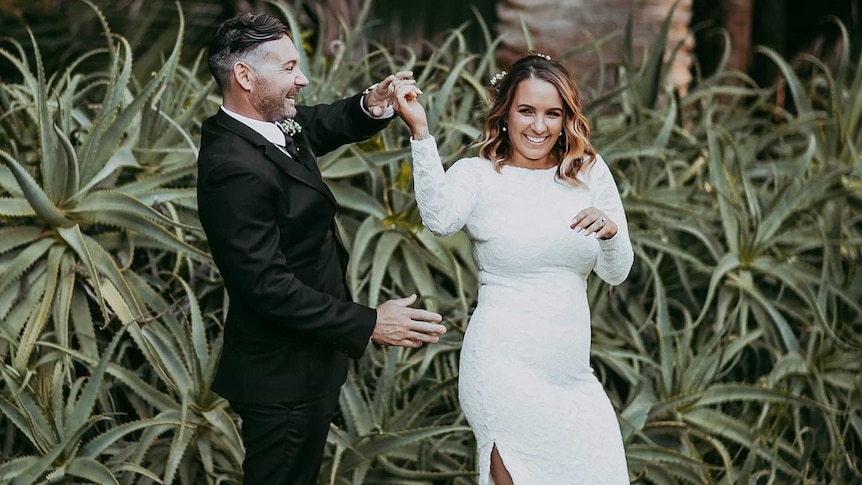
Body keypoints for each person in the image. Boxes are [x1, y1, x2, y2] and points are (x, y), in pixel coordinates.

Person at [196, 13, 446, 485]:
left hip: (306, 369)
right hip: (280, 380)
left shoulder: (263, 126)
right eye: (289, 69)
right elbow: (266, 288)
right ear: (245, 77)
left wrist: (371, 105)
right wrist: (371, 321)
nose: (302, 79)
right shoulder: (233, 168)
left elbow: (316, 125)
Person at [392, 54, 634, 484]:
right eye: (527, 110)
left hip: (574, 377)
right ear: (505, 114)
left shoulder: (588, 172)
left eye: (552, 113)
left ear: (565, 119)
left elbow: (615, 273)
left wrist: (612, 233)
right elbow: (439, 219)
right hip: (504, 372)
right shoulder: (479, 175)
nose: (539, 126)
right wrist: (421, 133)